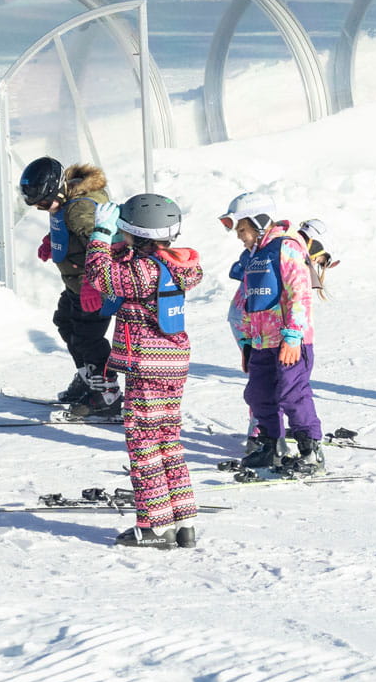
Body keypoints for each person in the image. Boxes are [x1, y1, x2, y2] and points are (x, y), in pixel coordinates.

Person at [84, 192, 207, 550]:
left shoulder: (144, 270)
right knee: (168, 440)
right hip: (172, 363)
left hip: (146, 363)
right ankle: (182, 521)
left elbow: (100, 276)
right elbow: (124, 262)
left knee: (143, 445)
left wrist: (100, 235)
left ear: (135, 234)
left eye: (124, 233)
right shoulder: (171, 264)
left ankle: (155, 525)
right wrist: (118, 242)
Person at [226, 198, 322, 476]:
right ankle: (269, 445)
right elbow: (246, 300)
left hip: (289, 341)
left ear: (257, 223)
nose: (239, 237)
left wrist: (293, 336)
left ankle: (310, 450)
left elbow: (300, 293)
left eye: (241, 229)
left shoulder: (286, 247)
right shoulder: (257, 254)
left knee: (292, 395)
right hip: (260, 342)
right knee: (258, 394)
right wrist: (246, 340)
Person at [23, 158, 117, 408]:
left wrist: (91, 281)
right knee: (65, 322)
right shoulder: (67, 202)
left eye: (44, 203)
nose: (43, 209)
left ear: (59, 189)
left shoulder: (79, 209)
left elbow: (103, 244)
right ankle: (88, 378)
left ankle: (106, 391)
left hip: (92, 289)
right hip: (75, 285)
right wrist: (52, 238)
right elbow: (72, 229)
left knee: (89, 338)